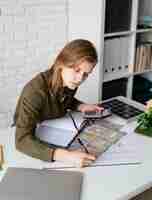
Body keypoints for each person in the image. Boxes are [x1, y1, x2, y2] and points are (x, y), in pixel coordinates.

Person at [13, 39, 103, 167]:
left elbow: (65, 99)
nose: (80, 79)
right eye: (77, 70)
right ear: (62, 63)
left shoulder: (68, 80)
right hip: (34, 139)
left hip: (56, 127)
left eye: (86, 74)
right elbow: (21, 141)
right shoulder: (34, 92)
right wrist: (66, 156)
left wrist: (81, 106)